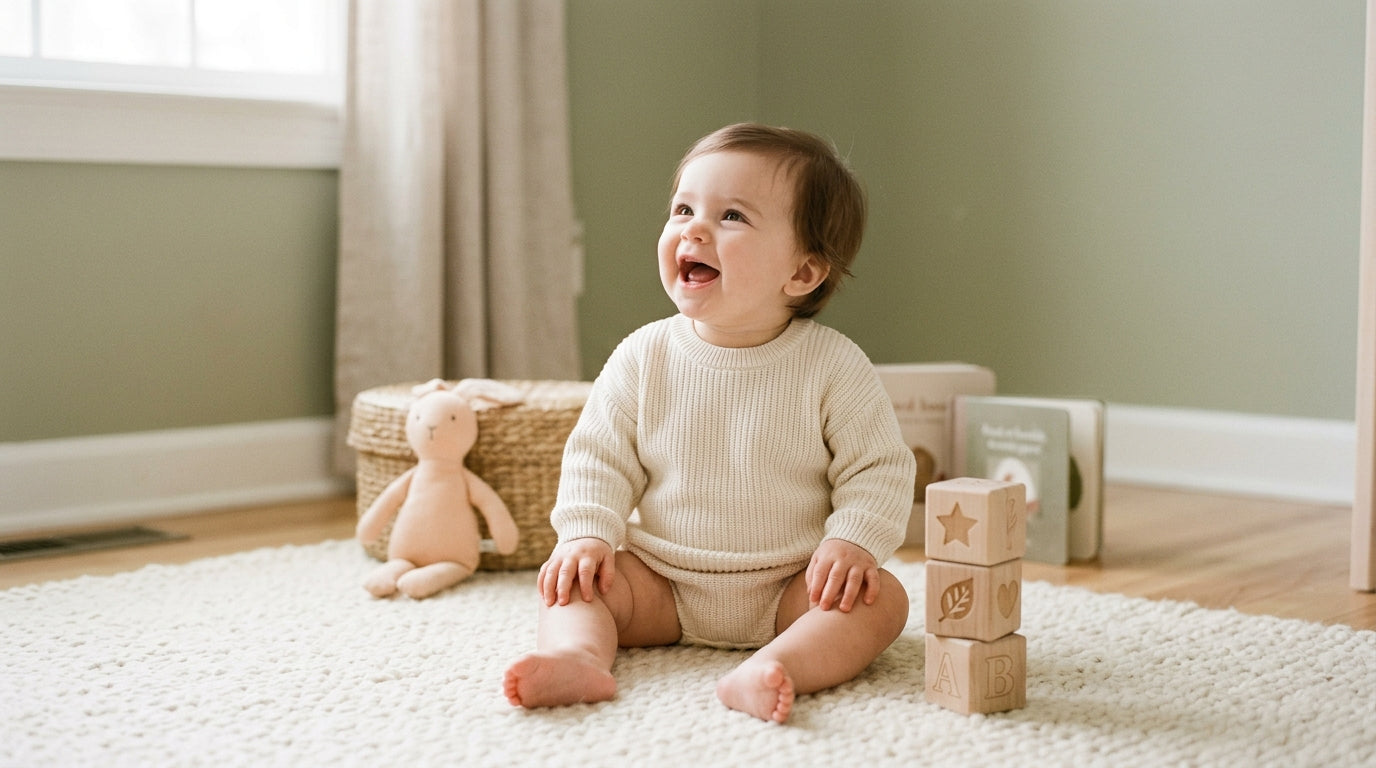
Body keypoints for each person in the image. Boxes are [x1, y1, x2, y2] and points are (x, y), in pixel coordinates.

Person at [502, 123, 916, 724]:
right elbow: (598, 455)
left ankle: (777, 668)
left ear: (802, 273)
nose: (692, 229)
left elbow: (877, 467)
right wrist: (586, 534)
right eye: (683, 209)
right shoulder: (643, 355)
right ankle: (577, 656)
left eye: (731, 218)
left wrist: (852, 540)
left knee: (883, 603)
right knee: (576, 586)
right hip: (662, 582)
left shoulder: (833, 364)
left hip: (792, 586)